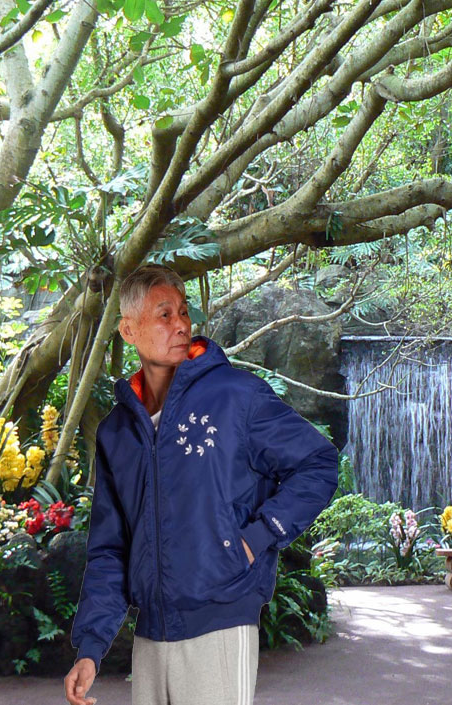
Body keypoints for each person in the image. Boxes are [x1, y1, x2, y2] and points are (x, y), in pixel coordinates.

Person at [64, 265, 339, 705]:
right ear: (128, 330)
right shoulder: (118, 431)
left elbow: (317, 462)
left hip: (221, 626)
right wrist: (91, 648)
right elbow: (110, 548)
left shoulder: (236, 396)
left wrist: (255, 538)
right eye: (164, 314)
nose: (180, 325)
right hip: (151, 638)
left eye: (183, 312)